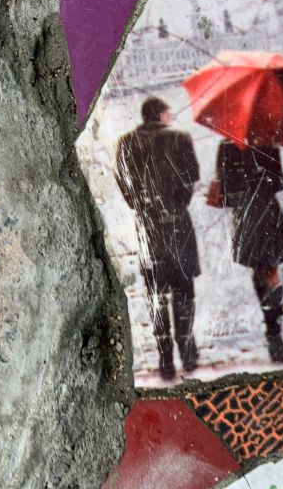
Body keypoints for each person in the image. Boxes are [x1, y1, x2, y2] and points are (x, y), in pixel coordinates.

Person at [115, 97, 200, 380]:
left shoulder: (126, 144)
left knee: (156, 292)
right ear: (161, 115)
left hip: (147, 227)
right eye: (168, 112)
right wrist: (176, 202)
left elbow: (124, 183)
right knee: (184, 289)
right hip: (177, 223)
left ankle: (164, 355)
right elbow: (190, 179)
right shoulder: (180, 139)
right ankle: (187, 350)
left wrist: (140, 205)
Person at [216, 133, 283, 364]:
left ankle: (273, 326)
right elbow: (278, 183)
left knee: (265, 271)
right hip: (257, 215)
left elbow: (278, 181)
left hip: (257, 215)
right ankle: (272, 322)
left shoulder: (249, 145)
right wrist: (253, 180)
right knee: (265, 270)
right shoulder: (239, 146)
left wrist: (256, 180)